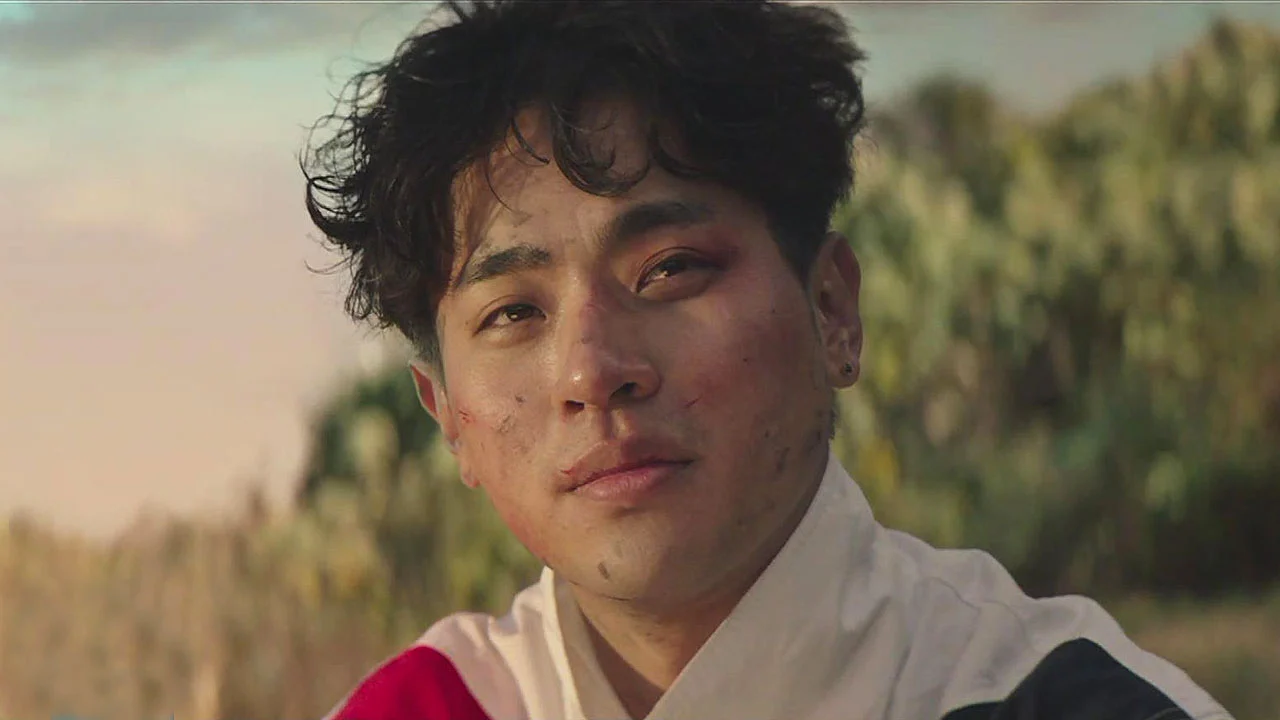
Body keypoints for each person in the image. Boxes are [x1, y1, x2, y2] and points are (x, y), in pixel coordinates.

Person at [302, 2, 1232, 719]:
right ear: (447, 416)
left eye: (670, 269)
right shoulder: (423, 708)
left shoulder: (1055, 701)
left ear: (832, 309)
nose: (592, 370)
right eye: (513, 312)